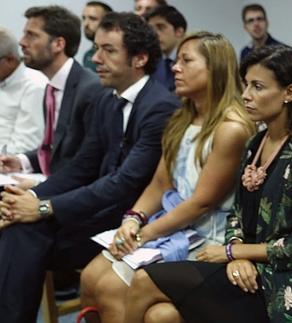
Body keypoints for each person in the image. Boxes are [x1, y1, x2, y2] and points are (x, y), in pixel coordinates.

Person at [123, 45, 292, 323]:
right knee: (161, 316)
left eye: (258, 87)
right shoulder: (256, 143)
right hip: (246, 266)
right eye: (246, 85)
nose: (246, 96)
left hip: (282, 283)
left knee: (142, 280)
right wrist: (236, 252)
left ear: (289, 93)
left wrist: (233, 252)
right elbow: (237, 213)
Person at [0, 12, 179, 322]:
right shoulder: (108, 99)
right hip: (100, 210)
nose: (95, 58)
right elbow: (82, 166)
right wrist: (29, 201)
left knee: (24, 234)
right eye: (97, 48)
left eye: (108, 50)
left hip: (133, 220)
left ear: (139, 58)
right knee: (18, 226)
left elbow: (124, 182)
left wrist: (44, 208)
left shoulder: (160, 107)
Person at [80, 31, 255, 322]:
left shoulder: (230, 128)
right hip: (173, 224)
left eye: (186, 61)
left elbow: (201, 203)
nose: (175, 68)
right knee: (89, 277)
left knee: (110, 287)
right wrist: (133, 219)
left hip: (205, 235)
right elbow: (161, 183)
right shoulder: (181, 119)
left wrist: (145, 233)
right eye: (177, 61)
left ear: (215, 69)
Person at [0, 6, 102, 179]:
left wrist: (37, 193)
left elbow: (84, 166)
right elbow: (55, 149)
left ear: (58, 44)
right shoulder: (52, 87)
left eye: (31, 35)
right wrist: (21, 160)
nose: (22, 42)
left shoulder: (89, 90)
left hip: (67, 194)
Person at [0, 27, 46, 155]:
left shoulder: (34, 86)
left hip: (13, 166)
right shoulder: (3, 76)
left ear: (9, 60)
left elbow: (27, 146)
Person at [145, 5, 186, 91]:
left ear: (179, 32)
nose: (154, 34)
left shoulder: (191, 62)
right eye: (151, 29)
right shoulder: (150, 62)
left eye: (160, 27)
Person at [82, 1, 112, 72]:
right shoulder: (88, 55)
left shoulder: (114, 56)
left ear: (107, 22)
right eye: (84, 18)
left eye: (92, 19)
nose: (85, 24)